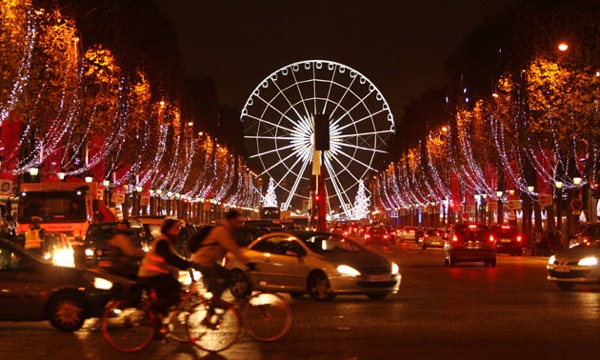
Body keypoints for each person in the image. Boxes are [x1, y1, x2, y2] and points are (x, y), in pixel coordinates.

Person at [192, 209, 251, 328]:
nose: (238, 223)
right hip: (204, 261)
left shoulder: (225, 229)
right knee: (219, 286)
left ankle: (215, 300)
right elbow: (232, 247)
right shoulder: (222, 231)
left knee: (229, 276)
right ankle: (209, 315)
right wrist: (248, 262)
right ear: (231, 220)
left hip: (210, 261)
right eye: (237, 220)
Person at [137, 217, 195, 330]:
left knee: (170, 292)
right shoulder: (162, 241)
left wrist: (188, 263)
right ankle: (153, 309)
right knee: (174, 291)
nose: (177, 232)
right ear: (168, 229)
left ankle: (159, 326)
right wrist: (188, 264)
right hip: (150, 275)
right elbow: (170, 258)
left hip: (155, 274)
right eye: (176, 229)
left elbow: (173, 257)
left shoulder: (166, 241)